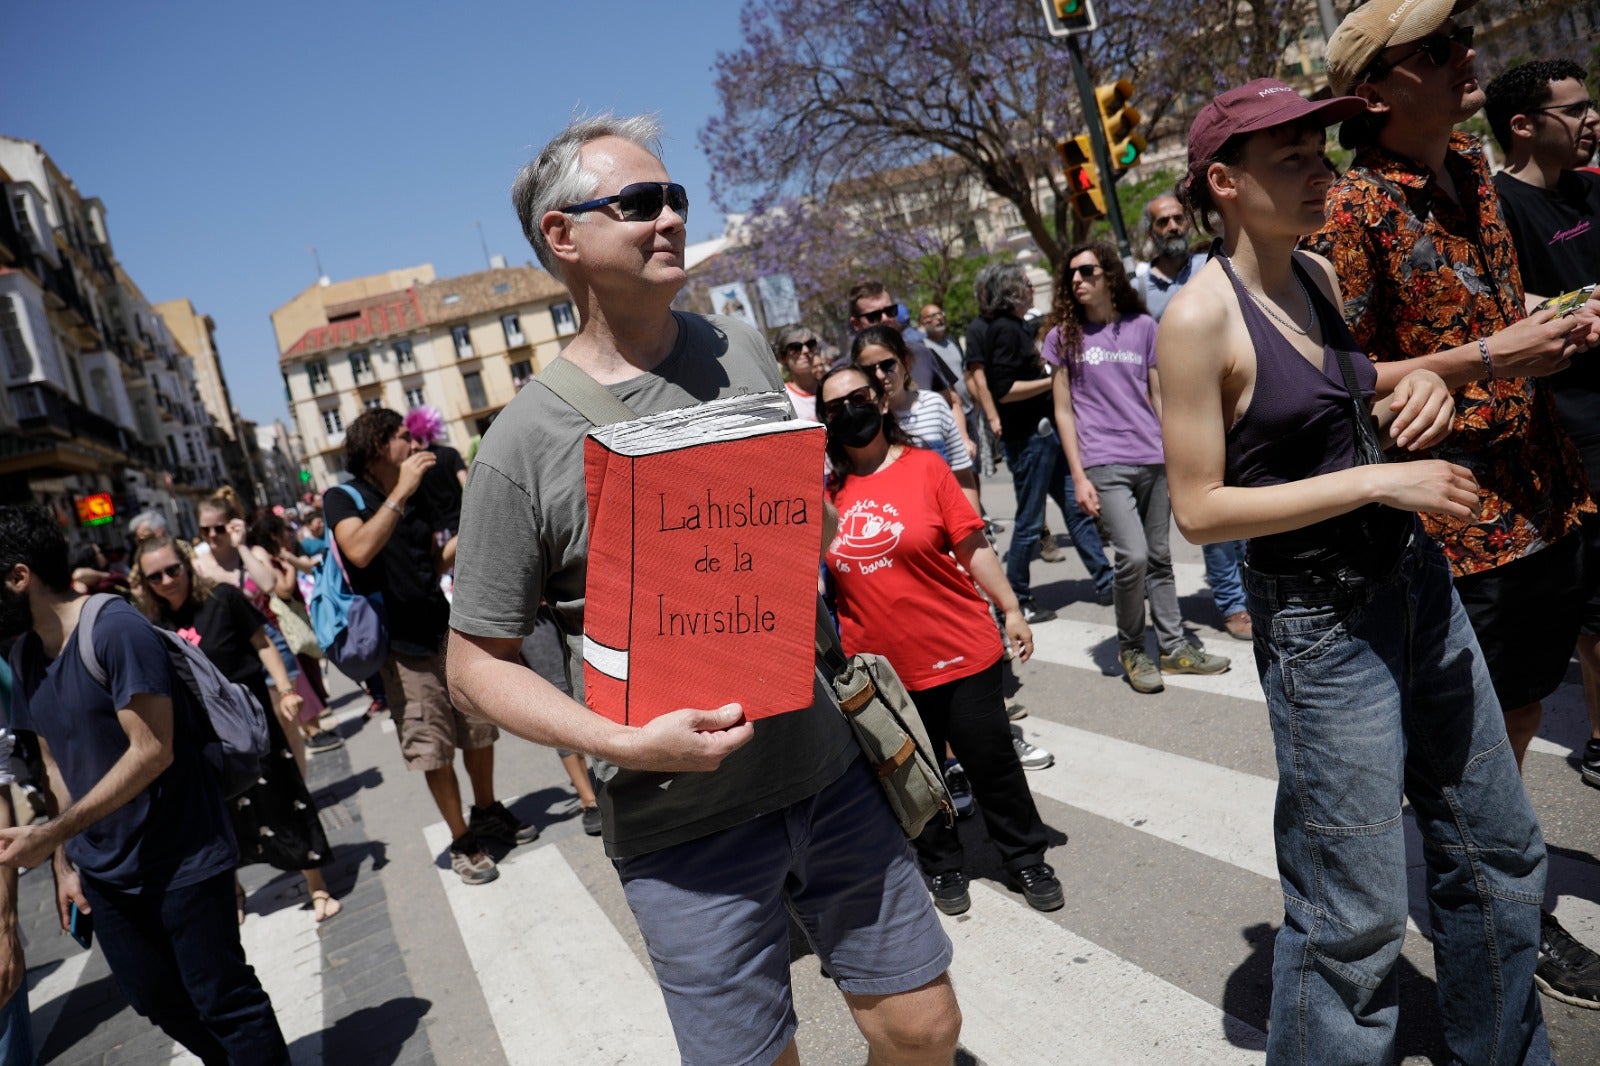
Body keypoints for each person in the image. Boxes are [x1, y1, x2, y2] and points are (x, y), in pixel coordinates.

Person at [446, 113, 960, 1066]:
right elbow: (474, 661)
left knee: (925, 1028)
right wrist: (618, 742)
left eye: (675, 197)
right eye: (639, 203)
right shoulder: (520, 446)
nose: (671, 217)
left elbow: (797, 513)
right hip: (682, 830)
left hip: (828, 770)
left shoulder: (738, 347)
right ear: (563, 238)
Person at [1160, 76, 1551, 1064]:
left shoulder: (1319, 276)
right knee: (1354, 924)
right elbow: (1201, 510)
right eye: (1287, 157)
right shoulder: (1198, 319)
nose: (1317, 171)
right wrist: (1378, 484)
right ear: (1223, 182)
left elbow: (1355, 391)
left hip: (1413, 588)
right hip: (1321, 628)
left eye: (1318, 150)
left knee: (1501, 853)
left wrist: (1427, 382)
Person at [1306, 0, 1600, 1010]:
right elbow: (1339, 382)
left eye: (1459, 38)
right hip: (1453, 525)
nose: (1465, 56)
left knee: (1516, 710)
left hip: (1542, 492)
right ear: (1376, 90)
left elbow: (1488, 314)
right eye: (1435, 50)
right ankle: (1500, 914)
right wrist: (1490, 355)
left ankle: (1493, 881)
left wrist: (1553, 317)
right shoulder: (1348, 210)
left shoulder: (1474, 169)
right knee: (1467, 752)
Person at [0, 504, 290, 1064]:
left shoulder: (115, 628)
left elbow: (153, 750)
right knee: (154, 998)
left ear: (19, 578)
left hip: (181, 853)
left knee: (224, 999)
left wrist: (53, 832)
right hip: (105, 871)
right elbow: (54, 763)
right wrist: (64, 862)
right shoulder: (25, 653)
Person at [819, 364, 1061, 917]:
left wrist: (1012, 609)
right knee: (908, 774)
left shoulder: (926, 468)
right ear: (825, 422)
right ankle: (942, 863)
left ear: (881, 402)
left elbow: (973, 547)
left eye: (858, 397)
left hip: (959, 651)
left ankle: (1025, 857)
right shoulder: (825, 494)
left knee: (992, 764)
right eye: (835, 407)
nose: (849, 411)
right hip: (882, 670)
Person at [327, 409, 536, 886]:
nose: (413, 442)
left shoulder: (415, 493)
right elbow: (359, 550)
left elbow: (427, 560)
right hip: (400, 647)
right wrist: (400, 492)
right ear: (377, 445)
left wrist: (472, 533)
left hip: (444, 628)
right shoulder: (343, 497)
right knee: (433, 744)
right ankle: (462, 838)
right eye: (402, 436)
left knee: (479, 726)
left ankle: (485, 810)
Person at [1485, 61, 1600, 801]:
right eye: (1576, 109)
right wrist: (1579, 305)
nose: (1592, 120)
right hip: (1567, 433)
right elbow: (1499, 315)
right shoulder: (1497, 207)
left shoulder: (1592, 188)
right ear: (1524, 125)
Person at [1045, 241, 1230, 694]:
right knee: (1133, 555)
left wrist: (1179, 453)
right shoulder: (1063, 337)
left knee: (1161, 558)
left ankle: (1173, 646)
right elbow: (1063, 411)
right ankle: (1131, 645)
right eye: (1071, 274)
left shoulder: (1144, 326)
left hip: (1153, 457)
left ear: (1109, 274)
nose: (1077, 280)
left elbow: (1159, 396)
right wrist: (1079, 476)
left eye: (1087, 271)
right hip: (1103, 461)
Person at [131, 534, 339, 923]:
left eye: (172, 570)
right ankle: (235, 893)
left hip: (248, 721)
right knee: (219, 817)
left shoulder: (223, 599)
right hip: (197, 735)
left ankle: (316, 883)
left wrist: (287, 689)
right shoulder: (151, 625)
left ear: (187, 566)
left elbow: (262, 644)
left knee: (282, 796)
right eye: (154, 576)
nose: (166, 581)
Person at [1136, 195, 1251, 642]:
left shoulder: (1215, 264)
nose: (1171, 226)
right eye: (1161, 221)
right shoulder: (1142, 287)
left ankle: (1259, 588)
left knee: (1254, 505)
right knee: (1216, 514)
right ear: (1151, 232)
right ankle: (1233, 604)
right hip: (1186, 418)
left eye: (1177, 217)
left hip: (1237, 406)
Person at [972, 261, 1113, 619]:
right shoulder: (1003, 330)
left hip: (1046, 437)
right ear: (1011, 291)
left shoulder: (1015, 326)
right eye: (1024, 283)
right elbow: (1003, 390)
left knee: (1076, 511)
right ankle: (1016, 597)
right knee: (1031, 522)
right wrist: (1054, 380)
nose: (1031, 288)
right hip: (1029, 441)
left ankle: (1107, 580)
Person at [193, 489, 342, 755]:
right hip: (230, 652)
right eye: (206, 530)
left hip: (268, 643)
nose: (213, 535)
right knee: (251, 730)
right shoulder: (198, 566)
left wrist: (240, 546)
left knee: (285, 722)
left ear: (232, 525)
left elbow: (268, 584)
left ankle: (301, 788)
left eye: (219, 528)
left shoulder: (253, 553)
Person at [853, 324, 981, 512]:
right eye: (869, 370)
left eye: (888, 365)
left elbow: (962, 476)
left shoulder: (933, 405)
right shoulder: (859, 421)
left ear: (905, 362)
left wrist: (975, 531)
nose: (880, 375)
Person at [773, 325, 825, 422]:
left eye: (810, 344)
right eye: (796, 347)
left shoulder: (829, 387)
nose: (806, 350)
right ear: (782, 357)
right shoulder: (783, 399)